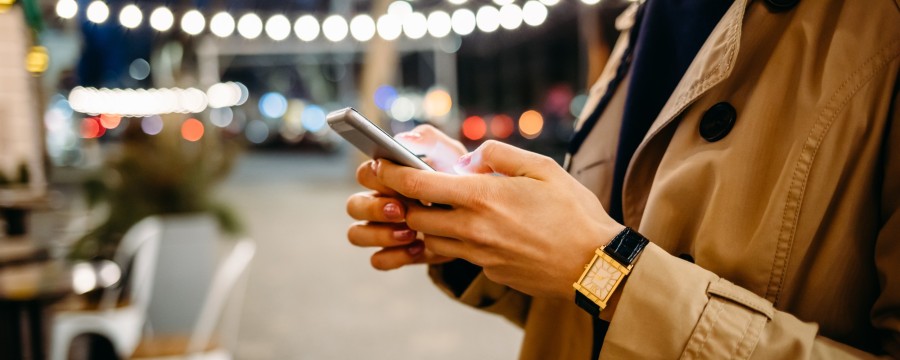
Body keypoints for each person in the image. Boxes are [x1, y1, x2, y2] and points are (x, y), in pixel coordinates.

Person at [345, 0, 900, 358]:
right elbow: (589, 311)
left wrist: (607, 270)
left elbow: (603, 273)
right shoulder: (646, 17)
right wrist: (478, 233)